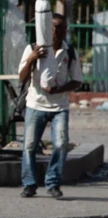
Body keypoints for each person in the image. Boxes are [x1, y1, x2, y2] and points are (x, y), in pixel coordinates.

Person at [18, 13, 82, 199]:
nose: (57, 31)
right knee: (29, 146)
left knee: (61, 144)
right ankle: (29, 184)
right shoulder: (32, 48)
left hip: (59, 106)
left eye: (61, 27)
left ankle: (53, 183)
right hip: (35, 104)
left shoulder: (69, 51)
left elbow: (77, 80)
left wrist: (59, 89)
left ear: (65, 30)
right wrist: (32, 59)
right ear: (46, 28)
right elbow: (21, 78)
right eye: (53, 27)